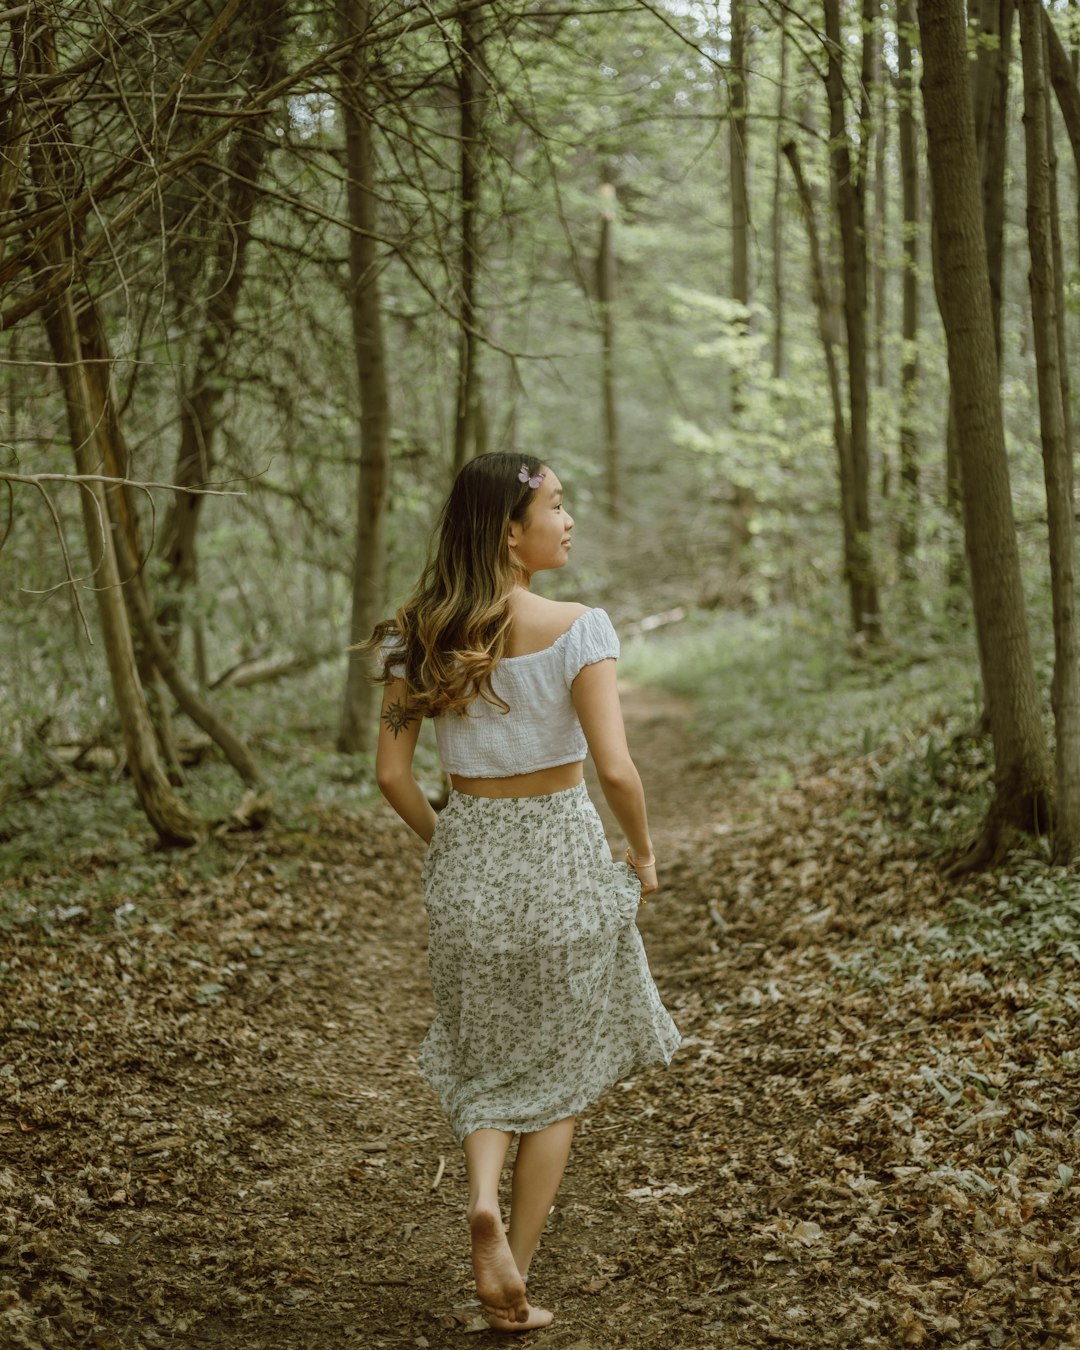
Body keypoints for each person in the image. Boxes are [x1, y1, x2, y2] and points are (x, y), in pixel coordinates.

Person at [366, 452, 679, 1332]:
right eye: (556, 504)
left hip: (470, 868)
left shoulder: (414, 634)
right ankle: (516, 1286)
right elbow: (615, 770)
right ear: (511, 530)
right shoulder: (579, 627)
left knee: (484, 1062)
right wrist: (645, 857)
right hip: (564, 868)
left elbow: (392, 777)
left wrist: (454, 846)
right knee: (558, 1081)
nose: (568, 519)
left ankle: (480, 1199)